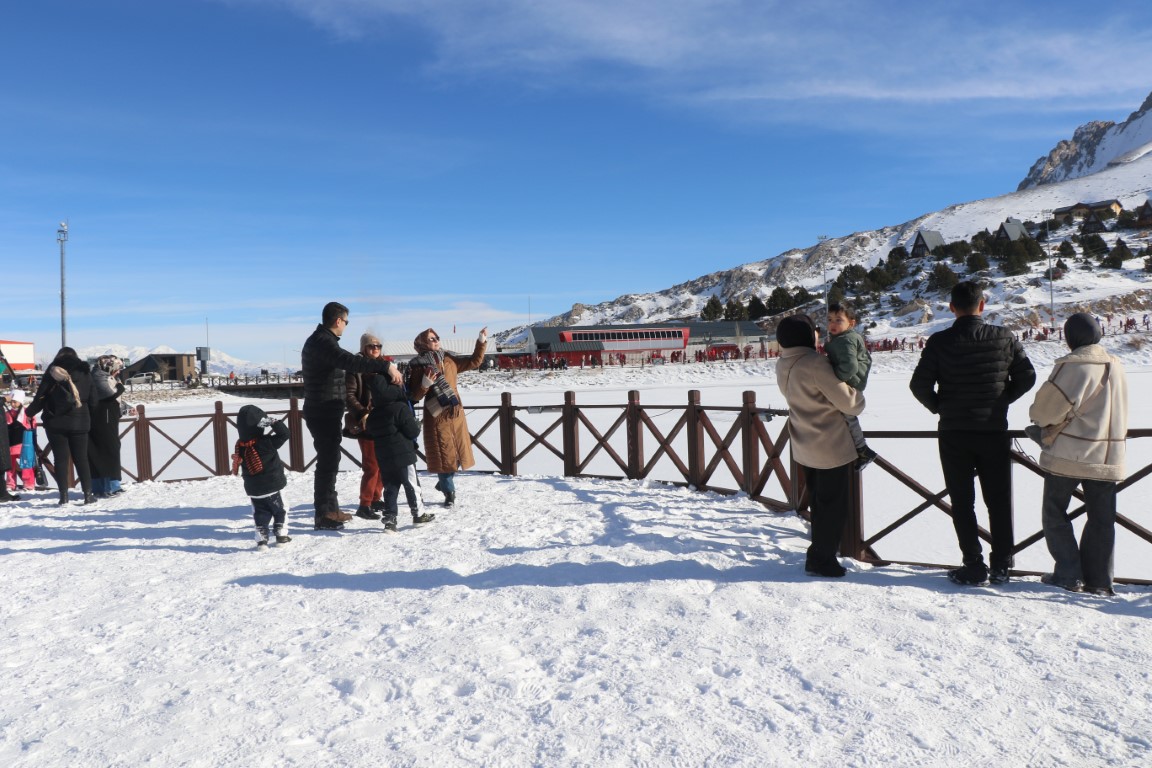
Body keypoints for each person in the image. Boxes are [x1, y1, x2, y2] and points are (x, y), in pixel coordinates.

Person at [910, 282, 1036, 586]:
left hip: (954, 433)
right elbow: (1027, 376)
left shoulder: (939, 342)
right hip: (993, 430)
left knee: (962, 501)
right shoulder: (1003, 337)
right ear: (982, 305)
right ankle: (1002, 565)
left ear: (952, 308)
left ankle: (973, 564)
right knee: (998, 500)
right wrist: (1000, 401)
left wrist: (941, 407)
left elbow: (919, 385)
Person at [1027, 313, 1127, 596]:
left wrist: (1036, 417)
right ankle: (1099, 581)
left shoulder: (1074, 366)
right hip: (1107, 455)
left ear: (1071, 337)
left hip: (1070, 453)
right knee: (1102, 519)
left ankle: (1069, 573)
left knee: (1054, 512)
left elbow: (1044, 412)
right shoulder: (1116, 365)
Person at [775, 314, 865, 578]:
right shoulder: (814, 363)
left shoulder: (783, 363)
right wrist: (857, 395)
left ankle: (821, 554)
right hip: (831, 446)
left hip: (804, 443)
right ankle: (821, 559)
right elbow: (850, 403)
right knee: (833, 507)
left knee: (819, 503)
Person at [301, 302, 402, 531]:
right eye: (346, 322)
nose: (346, 326)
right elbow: (350, 361)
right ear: (338, 320)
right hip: (323, 410)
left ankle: (330, 509)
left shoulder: (321, 341)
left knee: (330, 460)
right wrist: (385, 367)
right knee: (328, 462)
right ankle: (325, 514)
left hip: (325, 410)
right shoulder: (323, 342)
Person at [406, 327, 487, 507]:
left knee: (457, 453)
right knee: (444, 454)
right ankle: (449, 493)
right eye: (431, 339)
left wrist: (481, 341)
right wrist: (425, 384)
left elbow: (475, 362)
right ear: (422, 344)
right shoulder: (418, 364)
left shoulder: (449, 359)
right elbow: (414, 395)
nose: (436, 341)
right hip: (436, 415)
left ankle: (443, 482)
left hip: (455, 412)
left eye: (437, 338)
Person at [26, 347, 100, 506]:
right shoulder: (85, 372)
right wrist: (89, 417)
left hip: (55, 422)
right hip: (80, 422)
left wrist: (28, 412)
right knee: (81, 459)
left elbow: (40, 397)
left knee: (60, 459)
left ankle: (64, 496)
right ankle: (88, 495)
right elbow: (94, 400)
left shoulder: (52, 372)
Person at [365, 371, 435, 531]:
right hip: (404, 455)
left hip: (384, 457)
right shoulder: (400, 408)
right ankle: (419, 514)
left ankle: (390, 519)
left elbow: (370, 432)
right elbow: (412, 432)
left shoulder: (373, 414)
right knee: (411, 485)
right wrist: (416, 425)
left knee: (390, 487)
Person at [823, 302, 878, 469]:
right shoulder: (840, 339)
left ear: (851, 323)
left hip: (852, 382)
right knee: (844, 414)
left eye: (838, 320)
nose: (833, 323)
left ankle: (862, 449)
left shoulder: (846, 340)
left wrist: (834, 381)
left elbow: (850, 367)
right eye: (830, 319)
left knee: (847, 415)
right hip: (851, 381)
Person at [232, 404, 292, 549]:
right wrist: (273, 422)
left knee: (260, 514)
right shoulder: (266, 443)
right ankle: (281, 535)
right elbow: (285, 434)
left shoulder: (240, 446)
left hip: (254, 490)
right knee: (280, 509)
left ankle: (262, 540)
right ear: (260, 424)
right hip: (274, 486)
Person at [344, 333, 386, 521]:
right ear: (363, 348)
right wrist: (363, 413)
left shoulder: (384, 367)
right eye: (371, 346)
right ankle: (365, 504)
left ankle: (376, 498)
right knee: (371, 466)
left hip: (384, 421)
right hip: (366, 423)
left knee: (383, 464)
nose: (375, 349)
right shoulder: (355, 369)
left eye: (378, 346)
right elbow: (349, 395)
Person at [89, 355, 125, 497]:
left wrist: (125, 407)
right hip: (102, 419)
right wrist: (121, 386)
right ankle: (107, 486)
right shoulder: (99, 377)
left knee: (108, 450)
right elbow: (111, 394)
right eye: (117, 368)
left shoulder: (103, 376)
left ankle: (109, 485)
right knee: (107, 451)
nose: (119, 372)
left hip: (108, 417)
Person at [6, 392, 38, 494]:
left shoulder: (26, 413)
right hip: (11, 444)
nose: (12, 404)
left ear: (20, 402)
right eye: (11, 402)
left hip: (23, 444)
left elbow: (32, 425)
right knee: (10, 466)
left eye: (15, 402)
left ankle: (29, 484)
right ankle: (10, 484)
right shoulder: (7, 413)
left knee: (27, 464)